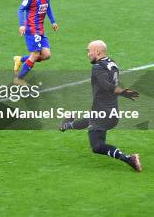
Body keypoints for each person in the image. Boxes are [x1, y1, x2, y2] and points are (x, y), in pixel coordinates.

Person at [59, 40, 141, 172]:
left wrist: (124, 92)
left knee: (97, 146)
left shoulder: (97, 67)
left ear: (97, 51)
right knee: (89, 119)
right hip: (111, 112)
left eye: (89, 51)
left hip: (103, 114)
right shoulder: (112, 63)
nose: (88, 54)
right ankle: (67, 125)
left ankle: (130, 159)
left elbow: (106, 86)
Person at [13, 0, 58, 85]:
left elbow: (48, 7)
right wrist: (21, 24)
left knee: (46, 55)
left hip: (40, 29)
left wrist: (53, 21)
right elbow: (20, 9)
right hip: (31, 29)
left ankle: (20, 59)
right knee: (35, 54)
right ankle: (19, 78)